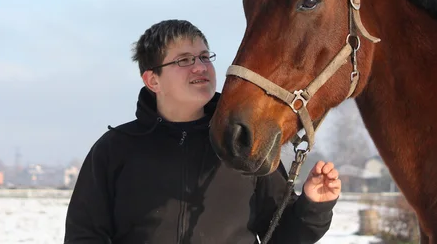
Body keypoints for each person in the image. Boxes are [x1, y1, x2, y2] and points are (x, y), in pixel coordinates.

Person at [64, 19, 341, 244]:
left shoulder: (243, 141)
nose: (200, 67)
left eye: (205, 57)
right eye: (183, 60)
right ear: (153, 80)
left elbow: (282, 236)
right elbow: (84, 235)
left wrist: (313, 206)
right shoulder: (115, 149)